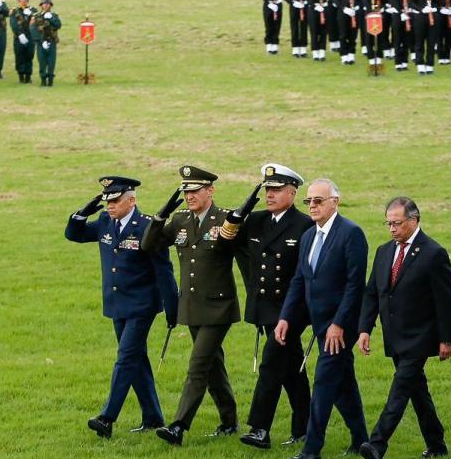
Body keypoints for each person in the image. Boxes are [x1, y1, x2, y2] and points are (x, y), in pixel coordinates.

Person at [64, 176, 179, 439]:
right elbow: (74, 235)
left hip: (142, 305)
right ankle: (153, 417)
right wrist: (81, 214)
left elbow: (164, 270)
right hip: (117, 304)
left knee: (126, 358)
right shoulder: (106, 221)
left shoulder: (147, 226)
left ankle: (107, 417)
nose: (110, 206)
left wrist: (172, 308)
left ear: (132, 201)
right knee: (136, 360)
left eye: (115, 201)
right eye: (107, 201)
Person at [142, 165, 248, 446]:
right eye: (186, 191)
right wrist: (160, 217)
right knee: (212, 366)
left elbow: (241, 250)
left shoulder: (225, 219)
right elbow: (149, 245)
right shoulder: (180, 220)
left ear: (210, 191)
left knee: (198, 366)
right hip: (191, 307)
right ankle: (229, 421)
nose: (189, 196)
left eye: (195, 191)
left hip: (219, 307)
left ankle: (178, 426)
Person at [275, 178, 370, 459]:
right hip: (320, 325)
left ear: (334, 202)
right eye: (309, 201)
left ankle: (311, 449)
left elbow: (355, 285)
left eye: (318, 200)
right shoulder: (308, 236)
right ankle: (362, 440)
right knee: (343, 385)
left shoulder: (351, 234)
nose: (312, 206)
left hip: (341, 326)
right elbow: (299, 280)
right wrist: (285, 317)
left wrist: (339, 324)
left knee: (324, 383)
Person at [357, 197, 451, 459]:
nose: (392, 229)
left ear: (414, 220)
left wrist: (446, 340)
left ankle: (377, 444)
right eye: (388, 223)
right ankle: (437, 445)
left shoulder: (433, 253)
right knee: (417, 391)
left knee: (400, 390)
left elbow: (445, 301)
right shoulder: (384, 251)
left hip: (420, 337)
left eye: (397, 223)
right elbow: (372, 293)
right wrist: (365, 329)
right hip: (394, 336)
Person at [231, 164, 314, 450]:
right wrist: (236, 216)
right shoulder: (255, 220)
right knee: (291, 367)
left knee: (270, 364)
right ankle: (305, 427)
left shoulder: (304, 225)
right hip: (264, 306)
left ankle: (260, 429)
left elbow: (306, 273)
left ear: (292, 193)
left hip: (291, 309)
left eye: (277, 190)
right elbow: (228, 244)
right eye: (267, 189)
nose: (270, 194)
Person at [30, 0, 61, 87]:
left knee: (51, 62)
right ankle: (43, 80)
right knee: (42, 62)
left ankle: (50, 80)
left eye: (48, 4)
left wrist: (51, 18)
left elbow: (58, 25)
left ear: (51, 5)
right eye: (44, 4)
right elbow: (33, 30)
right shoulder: (36, 16)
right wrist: (41, 41)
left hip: (52, 42)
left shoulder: (54, 16)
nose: (46, 5)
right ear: (41, 5)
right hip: (41, 43)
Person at [9, 0, 36, 84]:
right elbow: (13, 23)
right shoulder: (14, 11)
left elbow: (36, 23)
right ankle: (21, 75)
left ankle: (28, 75)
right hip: (19, 37)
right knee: (19, 56)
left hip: (30, 36)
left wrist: (31, 15)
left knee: (29, 55)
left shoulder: (33, 10)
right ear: (18, 0)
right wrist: (19, 34)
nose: (24, 0)